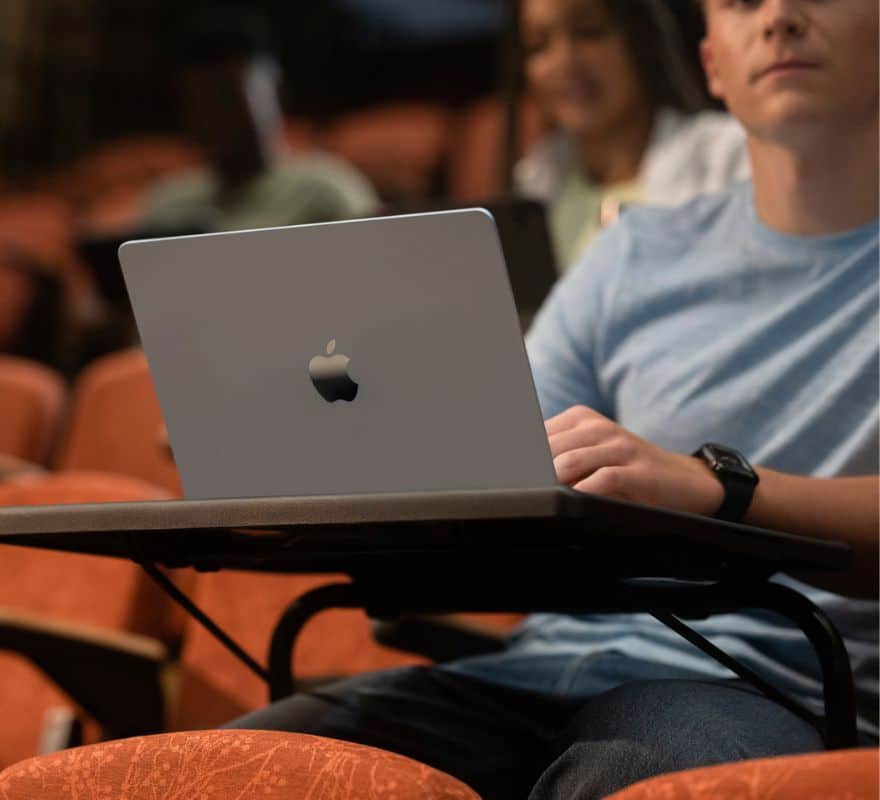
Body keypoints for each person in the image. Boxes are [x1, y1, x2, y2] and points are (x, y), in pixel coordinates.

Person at [227, 1, 878, 798]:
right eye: (742, 1)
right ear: (712, 63)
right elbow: (500, 449)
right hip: (540, 663)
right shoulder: (637, 252)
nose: (778, 16)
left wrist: (717, 487)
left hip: (767, 678)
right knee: (229, 766)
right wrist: (295, 438)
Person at [516, 0, 750, 271]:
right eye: (538, 45)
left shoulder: (726, 157)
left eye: (588, 32)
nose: (565, 61)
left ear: (641, 39)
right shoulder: (532, 183)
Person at [139, 9, 379, 233]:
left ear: (277, 92)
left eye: (229, 98)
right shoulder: (168, 206)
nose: (216, 116)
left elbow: (375, 263)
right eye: (199, 102)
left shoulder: (324, 190)